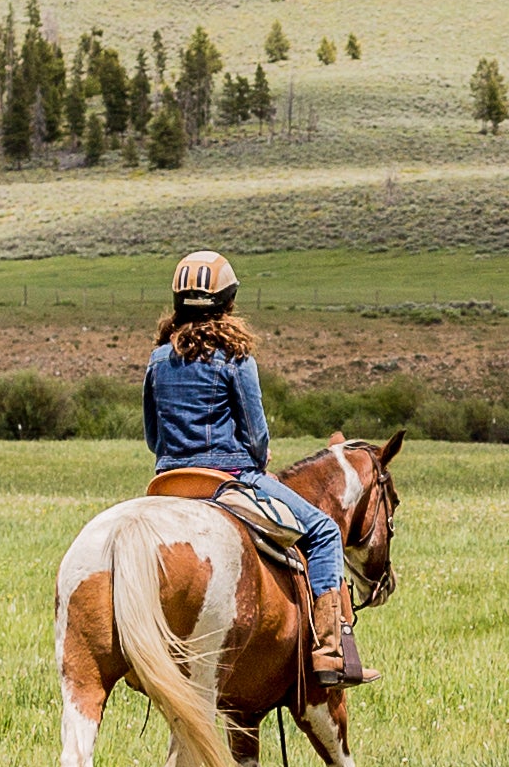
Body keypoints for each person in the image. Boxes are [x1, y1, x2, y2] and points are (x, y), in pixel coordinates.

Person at [143, 250, 364, 686]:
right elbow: (256, 434)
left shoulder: (157, 360)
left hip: (167, 481)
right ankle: (328, 650)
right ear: (228, 303)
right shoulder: (236, 358)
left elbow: (154, 436)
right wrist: (256, 458)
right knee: (323, 531)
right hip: (229, 478)